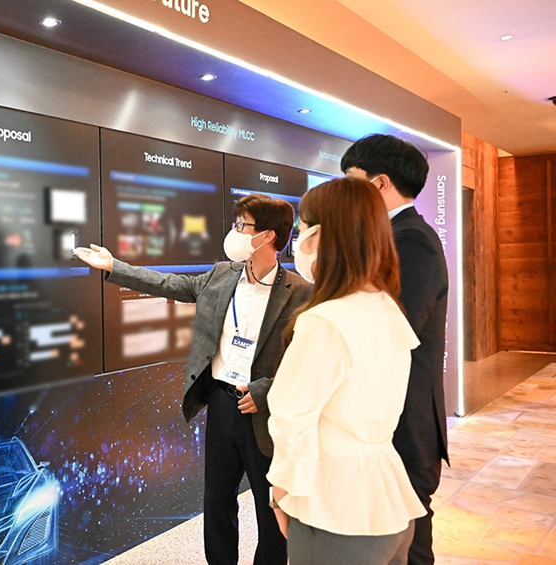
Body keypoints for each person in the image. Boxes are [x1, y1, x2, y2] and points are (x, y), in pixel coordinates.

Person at [74, 194, 310, 565]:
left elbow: (305, 360)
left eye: (242, 225)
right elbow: (170, 284)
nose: (234, 232)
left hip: (264, 412)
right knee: (217, 499)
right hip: (221, 401)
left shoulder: (300, 292)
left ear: (266, 236)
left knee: (270, 505)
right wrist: (114, 266)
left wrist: (266, 391)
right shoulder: (221, 275)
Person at [266, 177, 426, 565]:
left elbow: (291, 418)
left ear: (322, 236)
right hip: (388, 498)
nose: (299, 242)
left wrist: (282, 492)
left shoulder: (325, 320)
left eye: (303, 229)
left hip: (333, 508)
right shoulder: (386, 307)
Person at [343, 134, 449, 565]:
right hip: (387, 412)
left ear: (380, 183)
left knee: (410, 540)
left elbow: (396, 327)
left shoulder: (411, 239)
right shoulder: (393, 235)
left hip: (405, 416)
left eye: (352, 183)